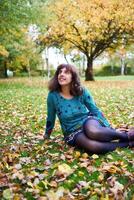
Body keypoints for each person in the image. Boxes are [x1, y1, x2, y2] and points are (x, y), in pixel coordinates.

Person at [44, 64, 134, 154]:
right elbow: (50, 117)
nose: (62, 74)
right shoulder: (53, 96)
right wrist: (47, 135)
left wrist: (109, 128)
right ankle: (129, 143)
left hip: (88, 122)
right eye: (60, 72)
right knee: (93, 146)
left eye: (66, 72)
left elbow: (94, 110)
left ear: (73, 77)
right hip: (72, 132)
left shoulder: (81, 91)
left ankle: (128, 135)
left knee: (93, 131)